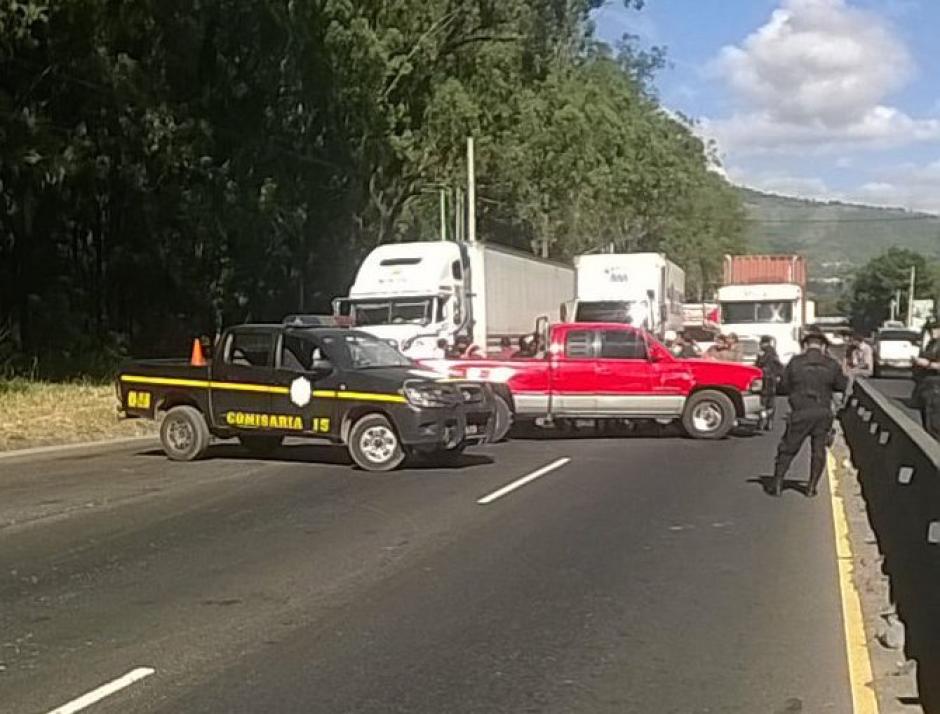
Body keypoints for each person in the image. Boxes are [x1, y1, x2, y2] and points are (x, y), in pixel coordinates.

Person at [770, 329, 848, 498]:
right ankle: (811, 487)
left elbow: (783, 386)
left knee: (788, 448)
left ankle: (778, 482)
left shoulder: (795, 362)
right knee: (818, 450)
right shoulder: (832, 364)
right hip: (823, 412)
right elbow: (841, 385)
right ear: (823, 346)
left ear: (805, 345)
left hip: (801, 411)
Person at [913, 322, 940, 439]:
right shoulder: (931, 344)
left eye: (934, 329)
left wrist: (927, 364)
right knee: (927, 421)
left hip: (936, 385)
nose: (932, 332)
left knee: (934, 423)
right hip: (926, 384)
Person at [755, 336, 783, 431]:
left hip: (765, 379)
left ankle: (762, 420)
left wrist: (759, 357)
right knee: (771, 401)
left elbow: (759, 364)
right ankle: (769, 421)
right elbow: (779, 366)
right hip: (772, 379)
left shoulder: (765, 353)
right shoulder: (774, 353)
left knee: (763, 401)